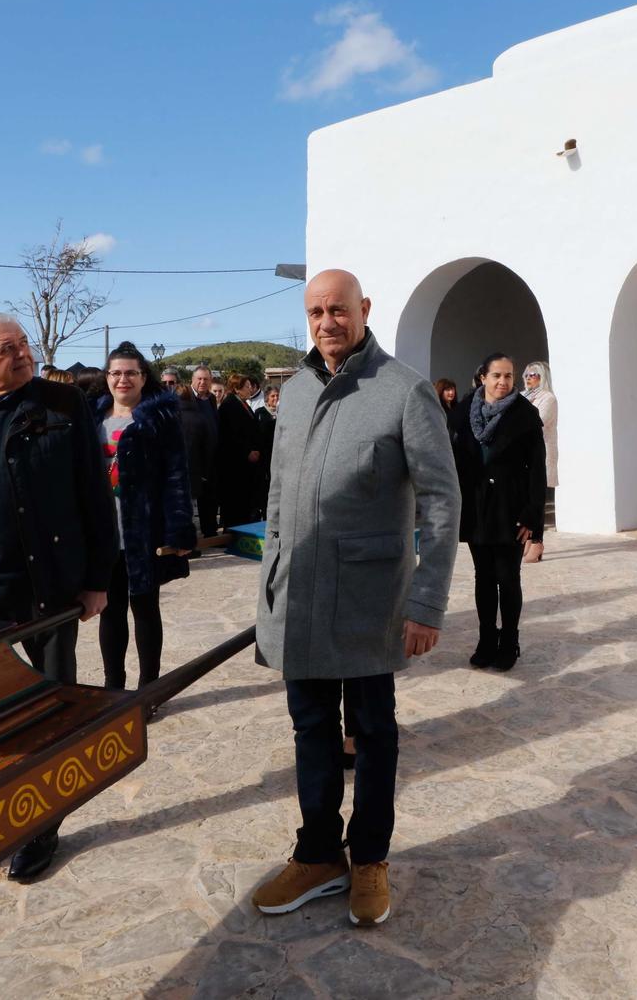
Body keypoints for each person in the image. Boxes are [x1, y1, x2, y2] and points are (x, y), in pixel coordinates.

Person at [252, 269, 460, 928]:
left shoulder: (404, 390)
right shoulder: (296, 391)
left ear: (364, 309)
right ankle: (318, 853)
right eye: (315, 311)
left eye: (338, 309)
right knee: (311, 727)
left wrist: (427, 601)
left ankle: (368, 857)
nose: (326, 321)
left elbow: (442, 500)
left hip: (373, 599)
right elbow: (279, 499)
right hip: (302, 596)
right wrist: (270, 591)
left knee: (372, 731)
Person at [0, 313, 115, 883]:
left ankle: (40, 828)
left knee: (48, 717)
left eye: (23, 344)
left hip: (49, 589)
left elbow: (94, 496)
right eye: (6, 348)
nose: (22, 354)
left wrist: (98, 579)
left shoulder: (63, 409)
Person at [95, 342, 195, 693]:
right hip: (104, 534)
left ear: (142, 377)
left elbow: (176, 475)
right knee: (110, 611)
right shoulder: (93, 418)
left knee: (145, 609)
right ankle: (113, 687)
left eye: (130, 373)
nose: (123, 379)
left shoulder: (160, 418)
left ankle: (149, 690)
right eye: (116, 373)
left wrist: (180, 530)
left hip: (145, 533)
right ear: (107, 377)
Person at [452, 354, 547, 671]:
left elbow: (536, 469)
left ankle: (509, 642)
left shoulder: (526, 415)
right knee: (483, 578)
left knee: (508, 578)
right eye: (496, 375)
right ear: (483, 377)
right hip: (476, 507)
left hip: (511, 508)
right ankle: (486, 640)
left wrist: (534, 519)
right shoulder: (464, 410)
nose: (503, 382)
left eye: (508, 376)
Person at [216, 371, 266, 527]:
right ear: (237, 389)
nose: (250, 389)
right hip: (235, 463)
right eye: (247, 386)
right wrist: (246, 452)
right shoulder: (230, 405)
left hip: (247, 463)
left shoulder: (243, 403)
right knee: (235, 501)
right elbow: (231, 434)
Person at [178, 366, 219, 539]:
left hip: (211, 456)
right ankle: (189, 539)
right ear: (192, 380)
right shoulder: (184, 399)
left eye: (206, 379)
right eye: (199, 379)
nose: (202, 382)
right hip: (192, 457)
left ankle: (210, 533)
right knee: (190, 500)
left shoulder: (211, 400)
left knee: (209, 498)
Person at [521, 361, 558, 538]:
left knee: (537, 498)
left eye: (533, 375)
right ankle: (526, 537)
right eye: (526, 375)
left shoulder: (547, 398)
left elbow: (539, 422)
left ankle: (536, 540)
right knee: (524, 497)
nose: (529, 378)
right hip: (521, 453)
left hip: (539, 452)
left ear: (542, 377)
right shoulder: (521, 396)